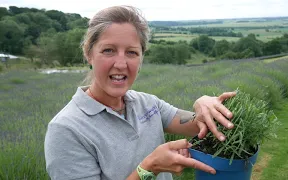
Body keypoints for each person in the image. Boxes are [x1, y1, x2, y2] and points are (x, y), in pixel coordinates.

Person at [44, 5, 236, 180]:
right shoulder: (66, 130)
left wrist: (203, 104)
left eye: (132, 52)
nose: (120, 64)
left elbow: (196, 124)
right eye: (109, 50)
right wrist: (149, 168)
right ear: (89, 53)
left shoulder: (147, 103)